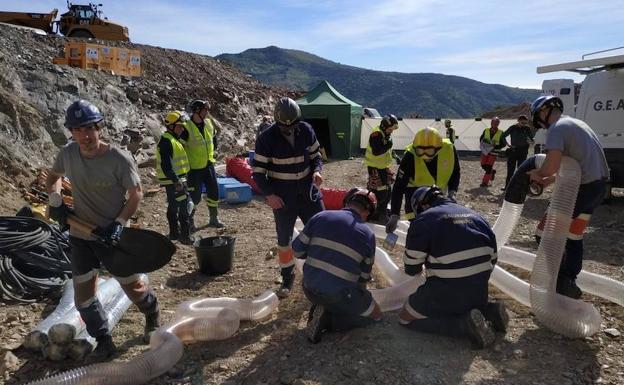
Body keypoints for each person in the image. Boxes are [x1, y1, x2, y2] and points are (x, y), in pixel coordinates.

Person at [46, 100, 160, 360]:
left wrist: (119, 224)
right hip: (81, 236)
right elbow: (53, 179)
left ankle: (152, 313)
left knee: (134, 290)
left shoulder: (117, 158)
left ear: (99, 128)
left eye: (89, 128)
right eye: (78, 130)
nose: (85, 136)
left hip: (113, 237)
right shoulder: (68, 154)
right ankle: (104, 341)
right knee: (83, 297)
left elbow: (135, 194)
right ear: (71, 132)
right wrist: (56, 202)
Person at [397, 185, 508, 349]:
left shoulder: (424, 220)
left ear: (422, 206)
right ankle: (490, 311)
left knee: (405, 317)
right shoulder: (478, 217)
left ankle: (463, 326)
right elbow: (492, 260)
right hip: (479, 291)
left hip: (447, 290)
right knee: (462, 300)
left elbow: (412, 268)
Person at [528, 96, 609, 299]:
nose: (541, 125)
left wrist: (538, 175)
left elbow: (551, 165)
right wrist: (549, 181)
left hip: (580, 189)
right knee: (573, 236)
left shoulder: (557, 128)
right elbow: (574, 167)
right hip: (598, 187)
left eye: (538, 118)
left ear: (543, 111)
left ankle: (557, 279)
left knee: (544, 233)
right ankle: (568, 280)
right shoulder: (578, 124)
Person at [252, 97, 325, 298]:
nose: (290, 130)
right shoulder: (266, 139)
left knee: (321, 231)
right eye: (285, 127)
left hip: (308, 193)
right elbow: (258, 172)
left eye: (293, 125)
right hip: (283, 198)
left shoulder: (307, 130)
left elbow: (316, 156)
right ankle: (287, 277)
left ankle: (321, 272)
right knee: (284, 241)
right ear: (277, 122)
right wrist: (269, 195)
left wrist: (317, 171)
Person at [292, 188, 382, 343]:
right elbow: (363, 278)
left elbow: (297, 251)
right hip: (339, 295)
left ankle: (322, 307)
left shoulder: (321, 216)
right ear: (368, 212)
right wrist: (359, 299)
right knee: (377, 316)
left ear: (347, 202)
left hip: (309, 288)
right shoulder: (368, 235)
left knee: (331, 292)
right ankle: (329, 322)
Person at [386, 127, 460, 233]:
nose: (425, 156)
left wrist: (453, 191)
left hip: (438, 195)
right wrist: (395, 215)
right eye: (420, 151)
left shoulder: (449, 149)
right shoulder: (410, 156)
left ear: (439, 148)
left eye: (429, 151)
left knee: (438, 226)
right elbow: (398, 187)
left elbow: (455, 172)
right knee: (419, 229)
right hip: (415, 198)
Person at [180, 99, 224, 229]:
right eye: (205, 110)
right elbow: (180, 148)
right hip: (193, 169)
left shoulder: (209, 123)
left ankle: (214, 218)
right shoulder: (186, 127)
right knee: (195, 197)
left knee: (214, 192)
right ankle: (189, 221)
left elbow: (214, 139)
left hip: (208, 165)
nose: (207, 112)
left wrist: (214, 151)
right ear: (197, 111)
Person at [156, 111, 193, 245]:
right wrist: (176, 180)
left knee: (174, 206)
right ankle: (185, 235)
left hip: (176, 179)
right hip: (174, 180)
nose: (182, 128)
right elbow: (166, 165)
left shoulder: (172, 139)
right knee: (185, 206)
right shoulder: (167, 141)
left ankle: (174, 233)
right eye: (179, 126)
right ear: (171, 126)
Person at [364, 114, 400, 223]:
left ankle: (381, 212)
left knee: (387, 190)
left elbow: (387, 148)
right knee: (380, 191)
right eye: (390, 129)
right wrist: (389, 145)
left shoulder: (385, 134)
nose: (391, 131)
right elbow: (376, 151)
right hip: (375, 168)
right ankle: (375, 214)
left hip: (383, 167)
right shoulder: (376, 134)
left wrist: (395, 155)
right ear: (384, 127)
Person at [501, 115, 534, 189]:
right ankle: (507, 187)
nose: (524, 124)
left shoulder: (527, 128)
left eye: (525, 123)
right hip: (513, 151)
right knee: (510, 170)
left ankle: (519, 187)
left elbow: (531, 138)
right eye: (522, 123)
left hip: (523, 151)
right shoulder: (512, 128)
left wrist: (531, 141)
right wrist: (508, 145)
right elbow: (503, 136)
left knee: (521, 170)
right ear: (518, 120)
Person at [479, 117, 507, 187]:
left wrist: (496, 147)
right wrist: (485, 144)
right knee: (483, 165)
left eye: (496, 123)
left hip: (494, 152)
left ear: (498, 124)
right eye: (493, 122)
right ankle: (492, 171)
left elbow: (504, 143)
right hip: (485, 151)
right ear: (491, 123)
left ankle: (485, 182)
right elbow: (481, 139)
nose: (494, 124)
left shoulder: (501, 132)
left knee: (488, 167)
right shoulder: (486, 130)